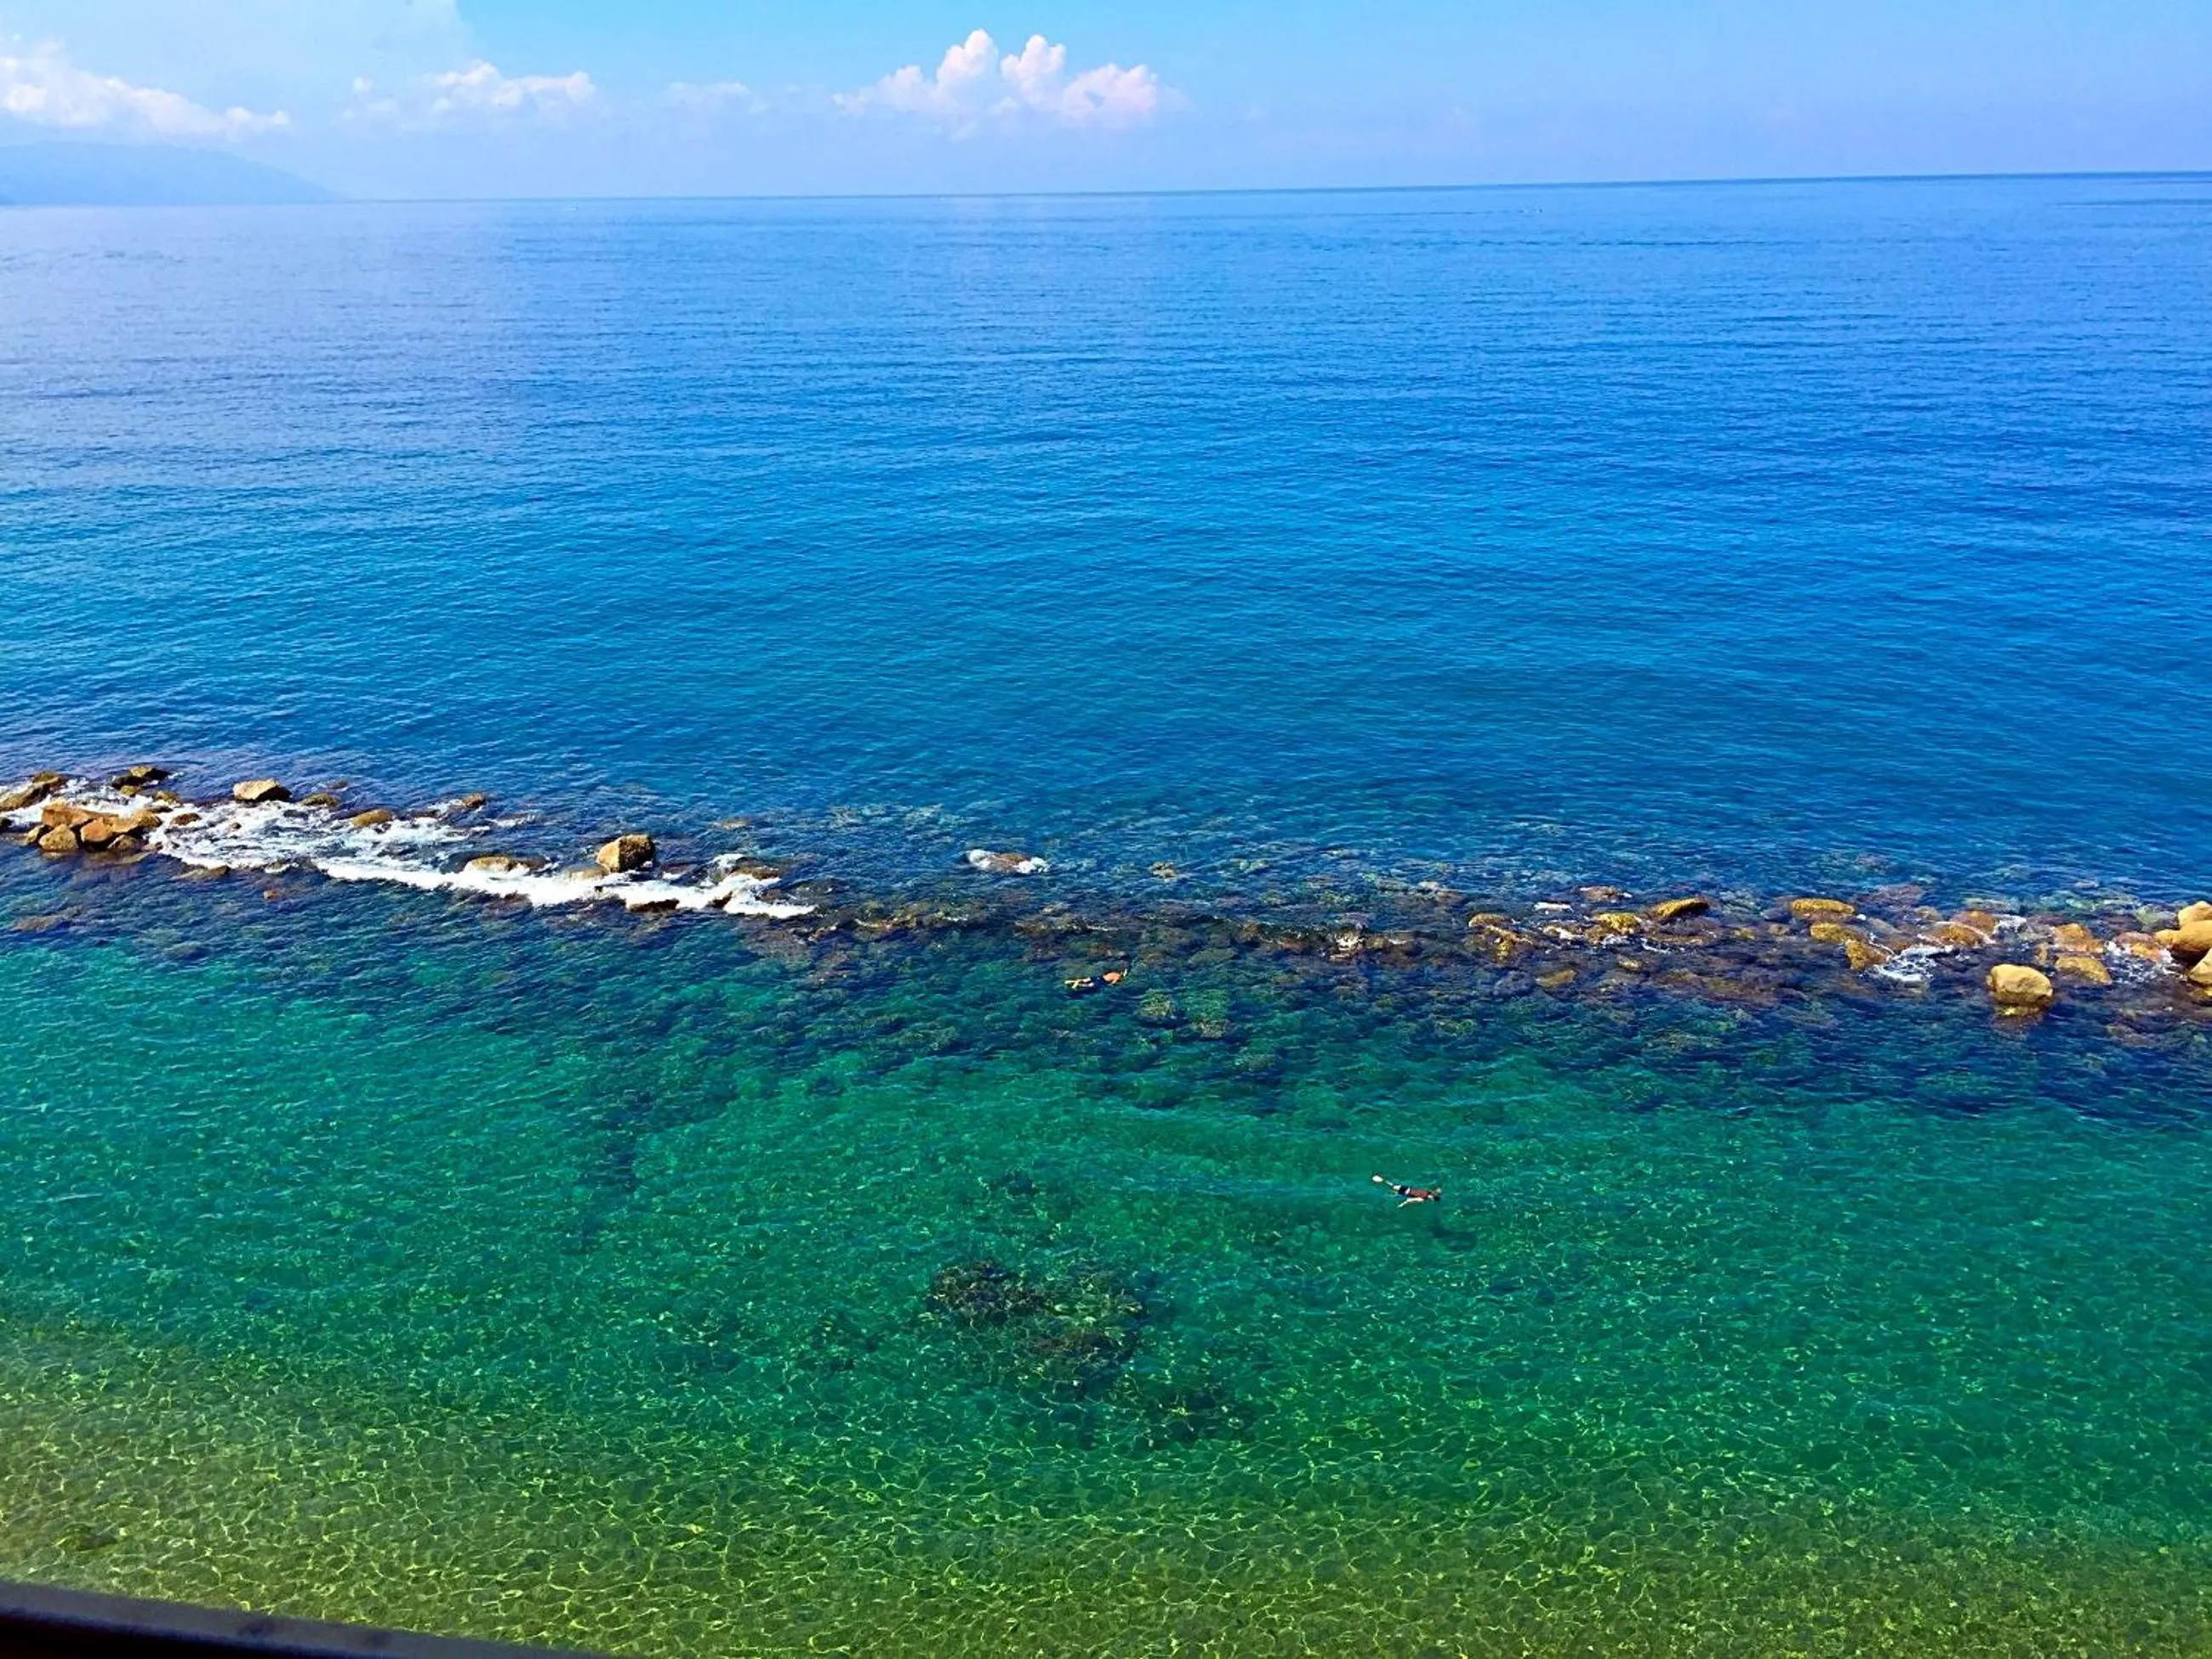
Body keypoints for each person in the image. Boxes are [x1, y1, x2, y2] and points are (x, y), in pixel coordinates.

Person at [1373, 1174, 1442, 1207]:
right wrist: (1402, 1205)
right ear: (1432, 1200)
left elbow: (1438, 1190)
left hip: (1407, 1188)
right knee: (1391, 1192)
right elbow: (1409, 1200)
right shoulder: (1423, 1199)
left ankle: (1382, 1180)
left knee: (1393, 1186)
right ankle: (1381, 1182)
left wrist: (1439, 1189)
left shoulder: (1430, 1192)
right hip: (1404, 1193)